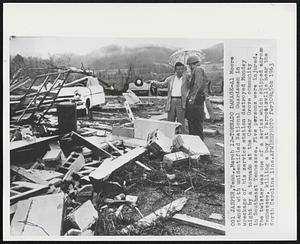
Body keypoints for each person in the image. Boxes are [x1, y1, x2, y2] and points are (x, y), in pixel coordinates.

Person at [149, 62, 190, 133]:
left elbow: (192, 83)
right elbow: (162, 85)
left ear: (183, 69)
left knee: (181, 122)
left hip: (181, 101)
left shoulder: (186, 78)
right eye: (178, 69)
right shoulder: (170, 78)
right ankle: (169, 137)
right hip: (171, 101)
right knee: (170, 121)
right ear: (175, 70)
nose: (180, 70)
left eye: (181, 69)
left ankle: (183, 137)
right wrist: (153, 82)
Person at [185, 55, 208, 140]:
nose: (189, 67)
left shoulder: (198, 70)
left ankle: (198, 145)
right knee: (192, 124)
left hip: (196, 101)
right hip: (195, 101)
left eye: (189, 65)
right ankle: (194, 143)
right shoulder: (195, 72)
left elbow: (198, 84)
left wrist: (192, 97)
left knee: (196, 125)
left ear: (192, 64)